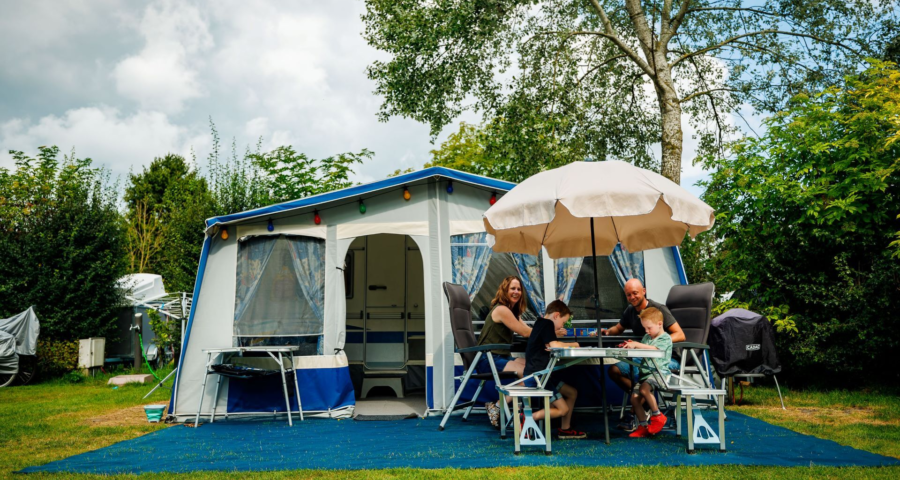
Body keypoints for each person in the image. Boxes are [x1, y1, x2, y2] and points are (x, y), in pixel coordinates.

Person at [481, 276, 566, 426]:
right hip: (487, 358)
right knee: (530, 372)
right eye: (512, 288)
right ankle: (498, 406)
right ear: (504, 290)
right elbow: (526, 333)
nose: (516, 292)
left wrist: (549, 332)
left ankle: (520, 408)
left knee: (533, 367)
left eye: (519, 289)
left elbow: (531, 330)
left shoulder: (513, 312)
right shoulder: (502, 310)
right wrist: (551, 333)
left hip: (502, 356)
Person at [601, 278, 684, 431]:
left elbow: (680, 334)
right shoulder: (630, 311)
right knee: (614, 370)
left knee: (641, 372)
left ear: (644, 291)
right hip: (645, 355)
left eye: (635, 293)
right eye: (628, 295)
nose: (632, 297)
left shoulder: (658, 310)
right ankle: (642, 400)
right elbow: (618, 329)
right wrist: (606, 332)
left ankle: (637, 410)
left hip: (667, 358)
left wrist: (653, 345)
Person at [521, 300, 586, 439]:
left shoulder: (540, 324)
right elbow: (555, 344)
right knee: (563, 409)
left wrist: (556, 336)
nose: (562, 326)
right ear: (556, 315)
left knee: (571, 392)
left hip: (540, 375)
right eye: (563, 322)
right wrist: (575, 344)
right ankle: (528, 418)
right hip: (539, 378)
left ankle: (565, 429)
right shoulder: (548, 324)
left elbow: (550, 343)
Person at [621, 307, 672, 437]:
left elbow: (655, 350)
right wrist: (630, 347)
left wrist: (637, 345)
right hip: (646, 374)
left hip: (659, 374)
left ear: (659, 324)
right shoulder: (646, 337)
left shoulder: (665, 338)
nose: (646, 331)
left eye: (649, 328)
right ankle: (643, 426)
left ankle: (657, 415)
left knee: (644, 390)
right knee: (635, 399)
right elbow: (642, 350)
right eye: (644, 328)